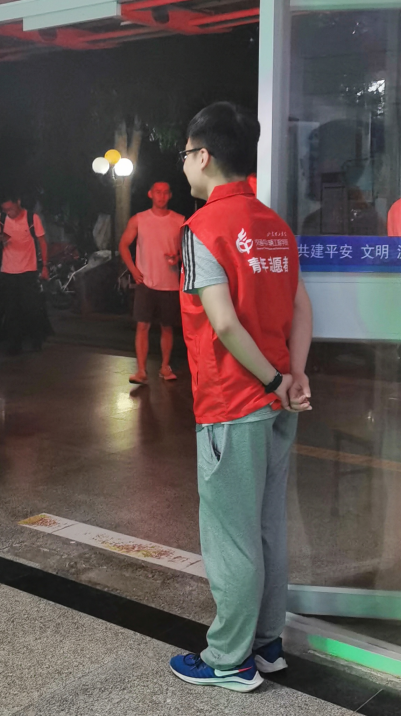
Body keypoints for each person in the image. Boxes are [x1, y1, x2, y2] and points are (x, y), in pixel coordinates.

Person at [169, 103, 313, 692]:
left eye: (185, 154)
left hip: (233, 401)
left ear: (204, 156)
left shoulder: (201, 229)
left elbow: (224, 324)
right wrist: (292, 377)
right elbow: (301, 308)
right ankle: (267, 643)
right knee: (268, 526)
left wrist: (274, 381)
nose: (183, 164)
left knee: (231, 534)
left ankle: (229, 659)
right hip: (278, 402)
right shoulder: (274, 224)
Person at [118, 182, 184, 384]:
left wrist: (177, 257)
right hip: (146, 282)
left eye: (165, 193)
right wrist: (133, 270)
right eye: (158, 192)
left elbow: (185, 250)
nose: (161, 196)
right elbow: (123, 245)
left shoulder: (179, 220)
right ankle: (141, 371)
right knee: (142, 326)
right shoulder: (139, 219)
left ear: (170, 195)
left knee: (167, 327)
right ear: (150, 194)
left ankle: (165, 367)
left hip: (170, 283)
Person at [0, 193, 49, 354]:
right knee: (11, 309)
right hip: (8, 270)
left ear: (18, 202)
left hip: (28, 270)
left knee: (31, 307)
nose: (9, 212)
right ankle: (14, 345)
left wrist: (45, 265)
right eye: (5, 210)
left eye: (11, 208)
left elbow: (42, 242)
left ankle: (36, 340)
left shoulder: (32, 218)